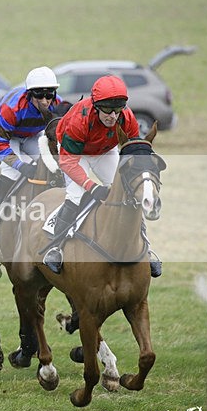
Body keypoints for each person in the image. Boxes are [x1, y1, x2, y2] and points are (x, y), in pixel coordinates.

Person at [41, 75, 162, 277]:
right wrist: (91, 186)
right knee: (76, 195)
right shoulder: (78, 120)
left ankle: (146, 248)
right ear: (96, 105)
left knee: (129, 192)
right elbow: (68, 163)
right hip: (74, 154)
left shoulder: (127, 117)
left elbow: (132, 149)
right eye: (107, 109)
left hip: (105, 151)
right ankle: (55, 248)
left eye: (118, 109)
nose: (113, 116)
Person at [0, 67, 63, 234]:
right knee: (13, 171)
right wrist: (20, 165)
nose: (46, 100)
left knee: (49, 165)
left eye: (49, 94)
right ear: (30, 94)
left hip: (31, 135)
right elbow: (0, 143)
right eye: (40, 95)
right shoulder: (12, 108)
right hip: (1, 137)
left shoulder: (58, 104)